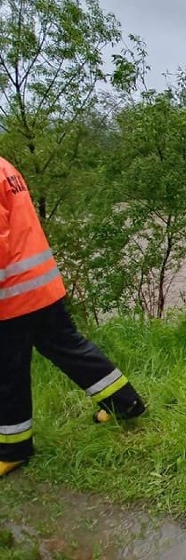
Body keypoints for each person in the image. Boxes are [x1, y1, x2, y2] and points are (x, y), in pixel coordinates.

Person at [0, 155, 146, 477]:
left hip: (11, 296)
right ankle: (125, 403)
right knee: (69, 348)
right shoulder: (4, 166)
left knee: (8, 372)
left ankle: (13, 450)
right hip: (41, 285)